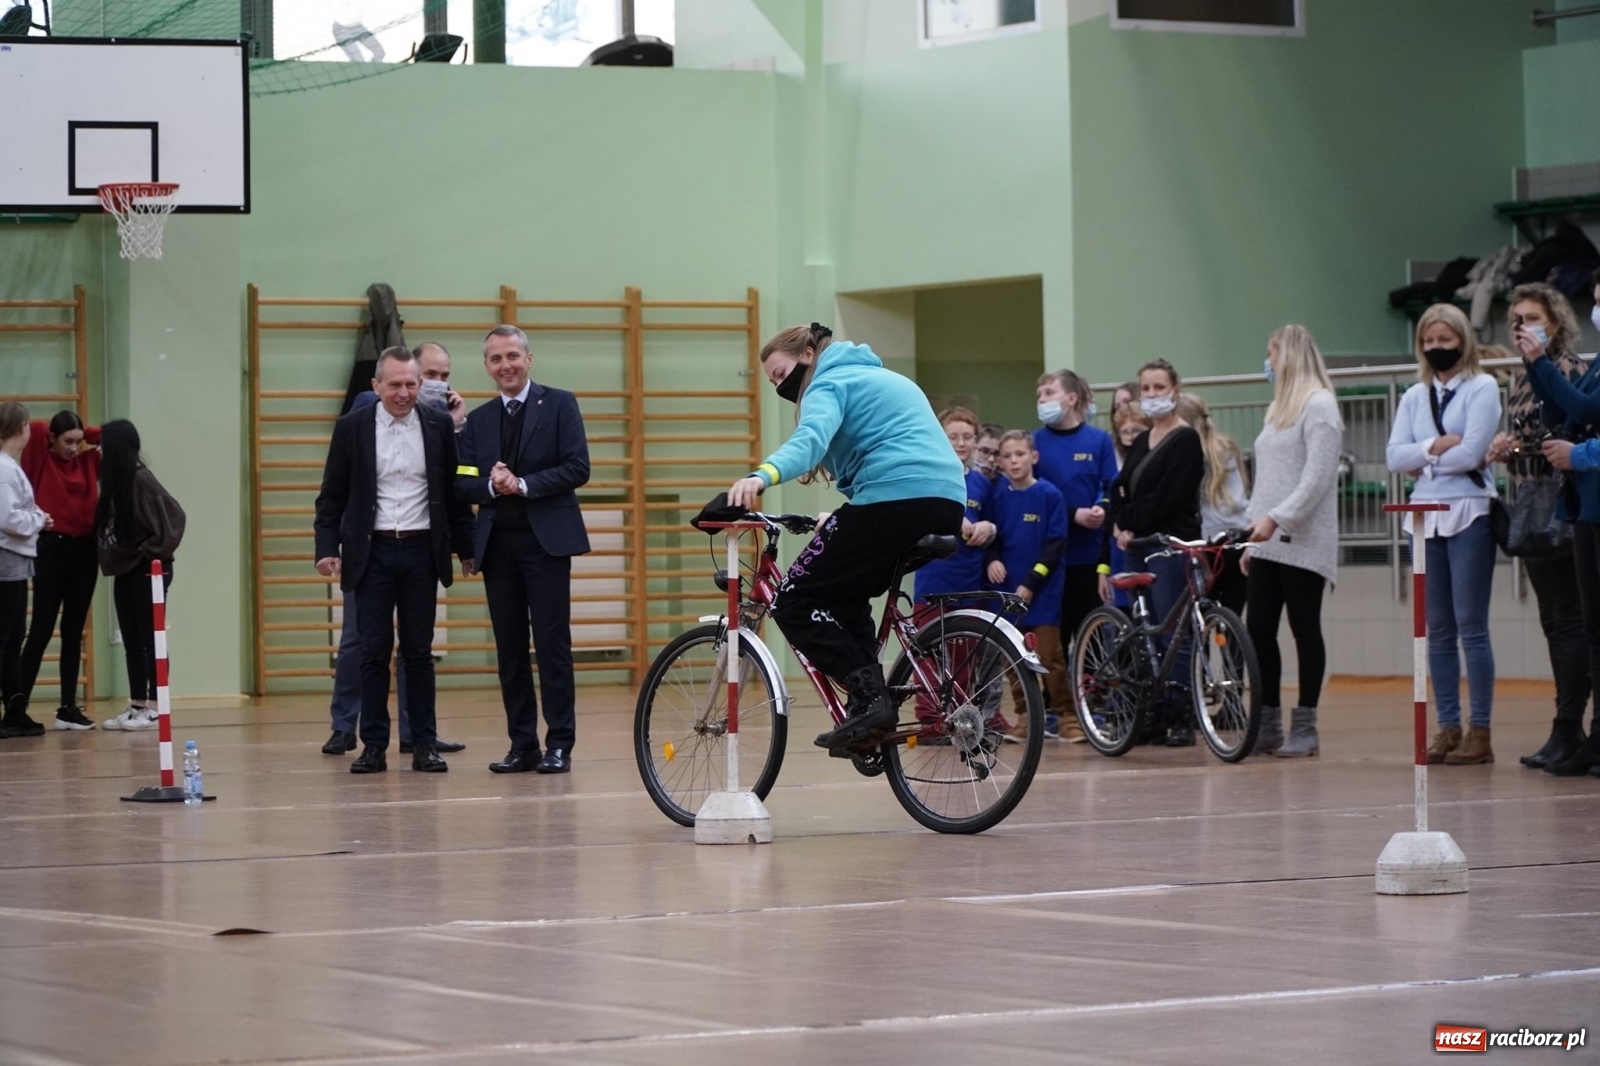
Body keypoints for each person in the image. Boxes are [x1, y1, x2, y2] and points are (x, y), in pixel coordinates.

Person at [727, 323, 965, 752]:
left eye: (780, 375)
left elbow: (810, 442)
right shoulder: (879, 376)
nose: (781, 387)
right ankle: (869, 708)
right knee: (845, 595)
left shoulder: (830, 381)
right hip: (945, 502)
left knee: (793, 600)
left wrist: (761, 476)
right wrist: (842, 516)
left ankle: (870, 697)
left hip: (896, 499)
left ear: (806, 355)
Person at [314, 347, 476, 773]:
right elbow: (331, 496)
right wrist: (327, 548)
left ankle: (423, 742)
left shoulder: (439, 425)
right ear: (376, 386)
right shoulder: (352, 428)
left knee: (419, 652)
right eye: (395, 385)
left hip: (423, 550)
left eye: (411, 384)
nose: (403, 393)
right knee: (372, 651)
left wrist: (468, 548)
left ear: (419, 385)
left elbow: (455, 493)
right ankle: (373, 745)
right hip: (373, 552)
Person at [456, 325, 591, 775]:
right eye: (496, 359)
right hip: (499, 547)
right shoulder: (477, 420)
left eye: (512, 356)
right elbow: (460, 480)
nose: (505, 365)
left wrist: (525, 484)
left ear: (529, 359)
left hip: (546, 544)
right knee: (510, 648)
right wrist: (492, 487)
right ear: (487, 367)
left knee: (552, 644)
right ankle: (522, 743)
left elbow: (577, 467)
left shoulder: (559, 404)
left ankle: (559, 744)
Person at [1484, 287, 1594, 774]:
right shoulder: (1522, 377)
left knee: (1573, 619)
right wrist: (1509, 447)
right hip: (1532, 502)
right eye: (1516, 319)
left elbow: (1574, 418)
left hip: (1564, 501)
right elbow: (1545, 427)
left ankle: (1570, 723)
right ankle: (1566, 726)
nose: (1523, 326)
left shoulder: (1569, 367)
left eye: (1532, 317)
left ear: (1555, 321)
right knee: (1554, 619)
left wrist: (1539, 365)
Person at [1386, 303, 1501, 765]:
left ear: (1462, 341)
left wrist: (1423, 459)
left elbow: (1473, 453)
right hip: (1424, 515)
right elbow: (1395, 457)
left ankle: (1481, 731)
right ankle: (1448, 726)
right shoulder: (1414, 395)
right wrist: (1435, 446)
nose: (1437, 348)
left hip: (1469, 510)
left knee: (1471, 626)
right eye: (1429, 342)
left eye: (1445, 341)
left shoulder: (1483, 387)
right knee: (1436, 629)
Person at [1242, 325, 1343, 757]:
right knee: (1259, 628)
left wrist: (1279, 518)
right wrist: (1252, 532)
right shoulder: (1276, 410)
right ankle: (1267, 722)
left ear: (1290, 355)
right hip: (1266, 538)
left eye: (1272, 353)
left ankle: (1306, 725)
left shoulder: (1320, 405)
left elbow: (1317, 477)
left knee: (1304, 628)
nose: (1268, 362)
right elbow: (1266, 480)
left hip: (1303, 538)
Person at [1520, 269, 1600, 778]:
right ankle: (1592, 736)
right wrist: (1537, 369)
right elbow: (1566, 413)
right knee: (1593, 629)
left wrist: (1544, 366)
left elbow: (1590, 408)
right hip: (1586, 506)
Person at [1103, 358, 1205, 746]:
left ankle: (1179, 715)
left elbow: (1165, 499)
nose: (1151, 396)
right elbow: (1120, 487)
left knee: (1173, 632)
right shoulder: (1144, 439)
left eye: (1158, 388)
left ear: (1175, 392)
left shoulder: (1185, 439)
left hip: (1169, 545)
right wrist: (1121, 518)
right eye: (1145, 389)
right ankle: (1147, 712)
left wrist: (1128, 519)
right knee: (1141, 630)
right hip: (1137, 545)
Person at [1033, 369, 1117, 741]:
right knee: (1054, 640)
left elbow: (1110, 488)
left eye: (1048, 391)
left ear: (1070, 398)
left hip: (1088, 557)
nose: (1041, 398)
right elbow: (1034, 495)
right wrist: (1072, 515)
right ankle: (1054, 710)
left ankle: (1094, 708)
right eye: (1038, 393)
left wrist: (1099, 509)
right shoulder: (1035, 444)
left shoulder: (1098, 441)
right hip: (1051, 559)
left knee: (1094, 637)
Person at [96, 420, 187, 732]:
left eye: (104, 444)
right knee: (132, 640)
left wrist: (148, 552)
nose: (99, 450)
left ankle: (156, 706)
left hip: (149, 568)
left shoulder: (141, 480)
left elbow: (174, 518)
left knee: (151, 638)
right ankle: (137, 704)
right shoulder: (115, 483)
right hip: (127, 568)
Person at [16, 410, 99, 731]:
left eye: (79, 442)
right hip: (51, 547)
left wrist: (88, 433)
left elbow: (117, 440)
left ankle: (67, 707)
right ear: (52, 438)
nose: (74, 448)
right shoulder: (40, 463)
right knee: (40, 629)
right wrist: (62, 430)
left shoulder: (89, 463)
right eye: (67, 441)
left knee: (73, 630)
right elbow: (36, 427)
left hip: (85, 550)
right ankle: (17, 705)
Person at [985, 430, 1070, 741]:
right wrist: (991, 559)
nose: (1014, 461)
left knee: (1049, 658)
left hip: (1042, 592)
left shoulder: (1050, 495)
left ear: (1033, 457)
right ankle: (1025, 716)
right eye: (1007, 456)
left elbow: (1055, 543)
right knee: (1014, 659)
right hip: (1006, 591)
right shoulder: (997, 494)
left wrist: (1032, 581)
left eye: (1019, 454)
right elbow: (991, 536)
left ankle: (1065, 715)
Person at [0, 403, 52, 738]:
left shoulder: (9, 467)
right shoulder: (4, 469)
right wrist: (39, 520)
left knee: (13, 637)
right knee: (5, 638)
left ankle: (15, 709)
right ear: (22, 428)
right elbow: (7, 517)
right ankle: (13, 710)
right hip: (6, 560)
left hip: (15, 561)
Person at [1175, 393, 1250, 615]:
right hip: (1238, 536)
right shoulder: (1226, 447)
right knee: (1232, 619)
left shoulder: (1187, 452)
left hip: (1206, 544)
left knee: (1199, 619)